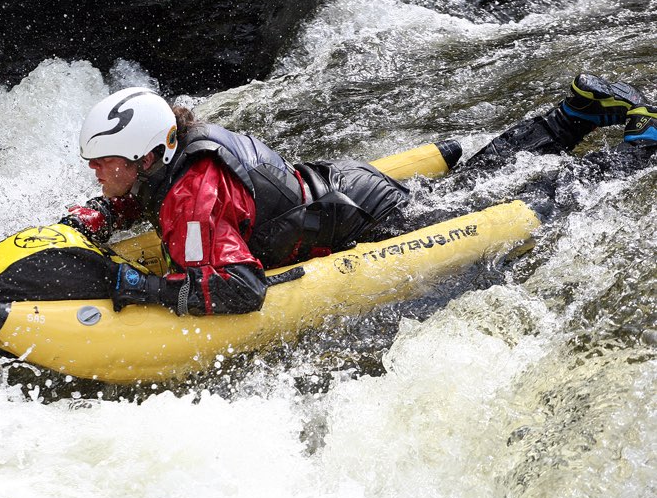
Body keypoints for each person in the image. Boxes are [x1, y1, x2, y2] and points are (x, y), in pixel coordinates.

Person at [60, 75, 656, 316]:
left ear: (144, 154)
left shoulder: (193, 194)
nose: (96, 175)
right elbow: (139, 197)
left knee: (514, 204)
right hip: (342, 190)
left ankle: (638, 146)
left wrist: (143, 289)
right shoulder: (175, 153)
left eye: (103, 165)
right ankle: (576, 109)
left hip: (364, 219)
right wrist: (98, 214)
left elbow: (240, 289)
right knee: (476, 184)